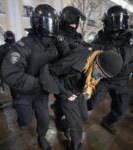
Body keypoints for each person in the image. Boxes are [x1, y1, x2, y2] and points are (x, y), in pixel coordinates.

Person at [39, 47, 123, 150]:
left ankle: (61, 117)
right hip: (67, 94)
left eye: (104, 76)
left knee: (84, 117)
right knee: (77, 126)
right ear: (96, 64)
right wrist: (66, 93)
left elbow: (90, 81)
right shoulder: (75, 61)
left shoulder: (95, 63)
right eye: (101, 74)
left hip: (79, 92)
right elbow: (51, 72)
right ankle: (75, 146)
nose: (99, 77)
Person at [2, 4, 59, 150]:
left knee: (44, 118)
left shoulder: (54, 46)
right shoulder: (22, 46)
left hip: (41, 93)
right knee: (26, 119)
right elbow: (10, 73)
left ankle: (42, 136)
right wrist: (38, 82)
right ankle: (21, 119)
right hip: (24, 92)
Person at [87, 5, 133, 134]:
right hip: (104, 79)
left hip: (121, 81)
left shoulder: (130, 39)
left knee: (121, 109)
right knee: (92, 103)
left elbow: (129, 54)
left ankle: (107, 122)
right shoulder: (101, 36)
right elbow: (95, 50)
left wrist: (113, 53)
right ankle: (77, 112)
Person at [51, 6, 87, 136]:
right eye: (72, 22)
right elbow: (66, 54)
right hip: (61, 76)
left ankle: (59, 111)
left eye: (76, 22)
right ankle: (65, 126)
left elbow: (83, 50)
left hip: (75, 76)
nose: (75, 25)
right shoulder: (58, 35)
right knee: (66, 102)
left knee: (77, 106)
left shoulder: (77, 36)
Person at [0, 30, 16, 99]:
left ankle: (15, 100)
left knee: (13, 87)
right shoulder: (18, 46)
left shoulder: (2, 48)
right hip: (15, 71)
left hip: (10, 71)